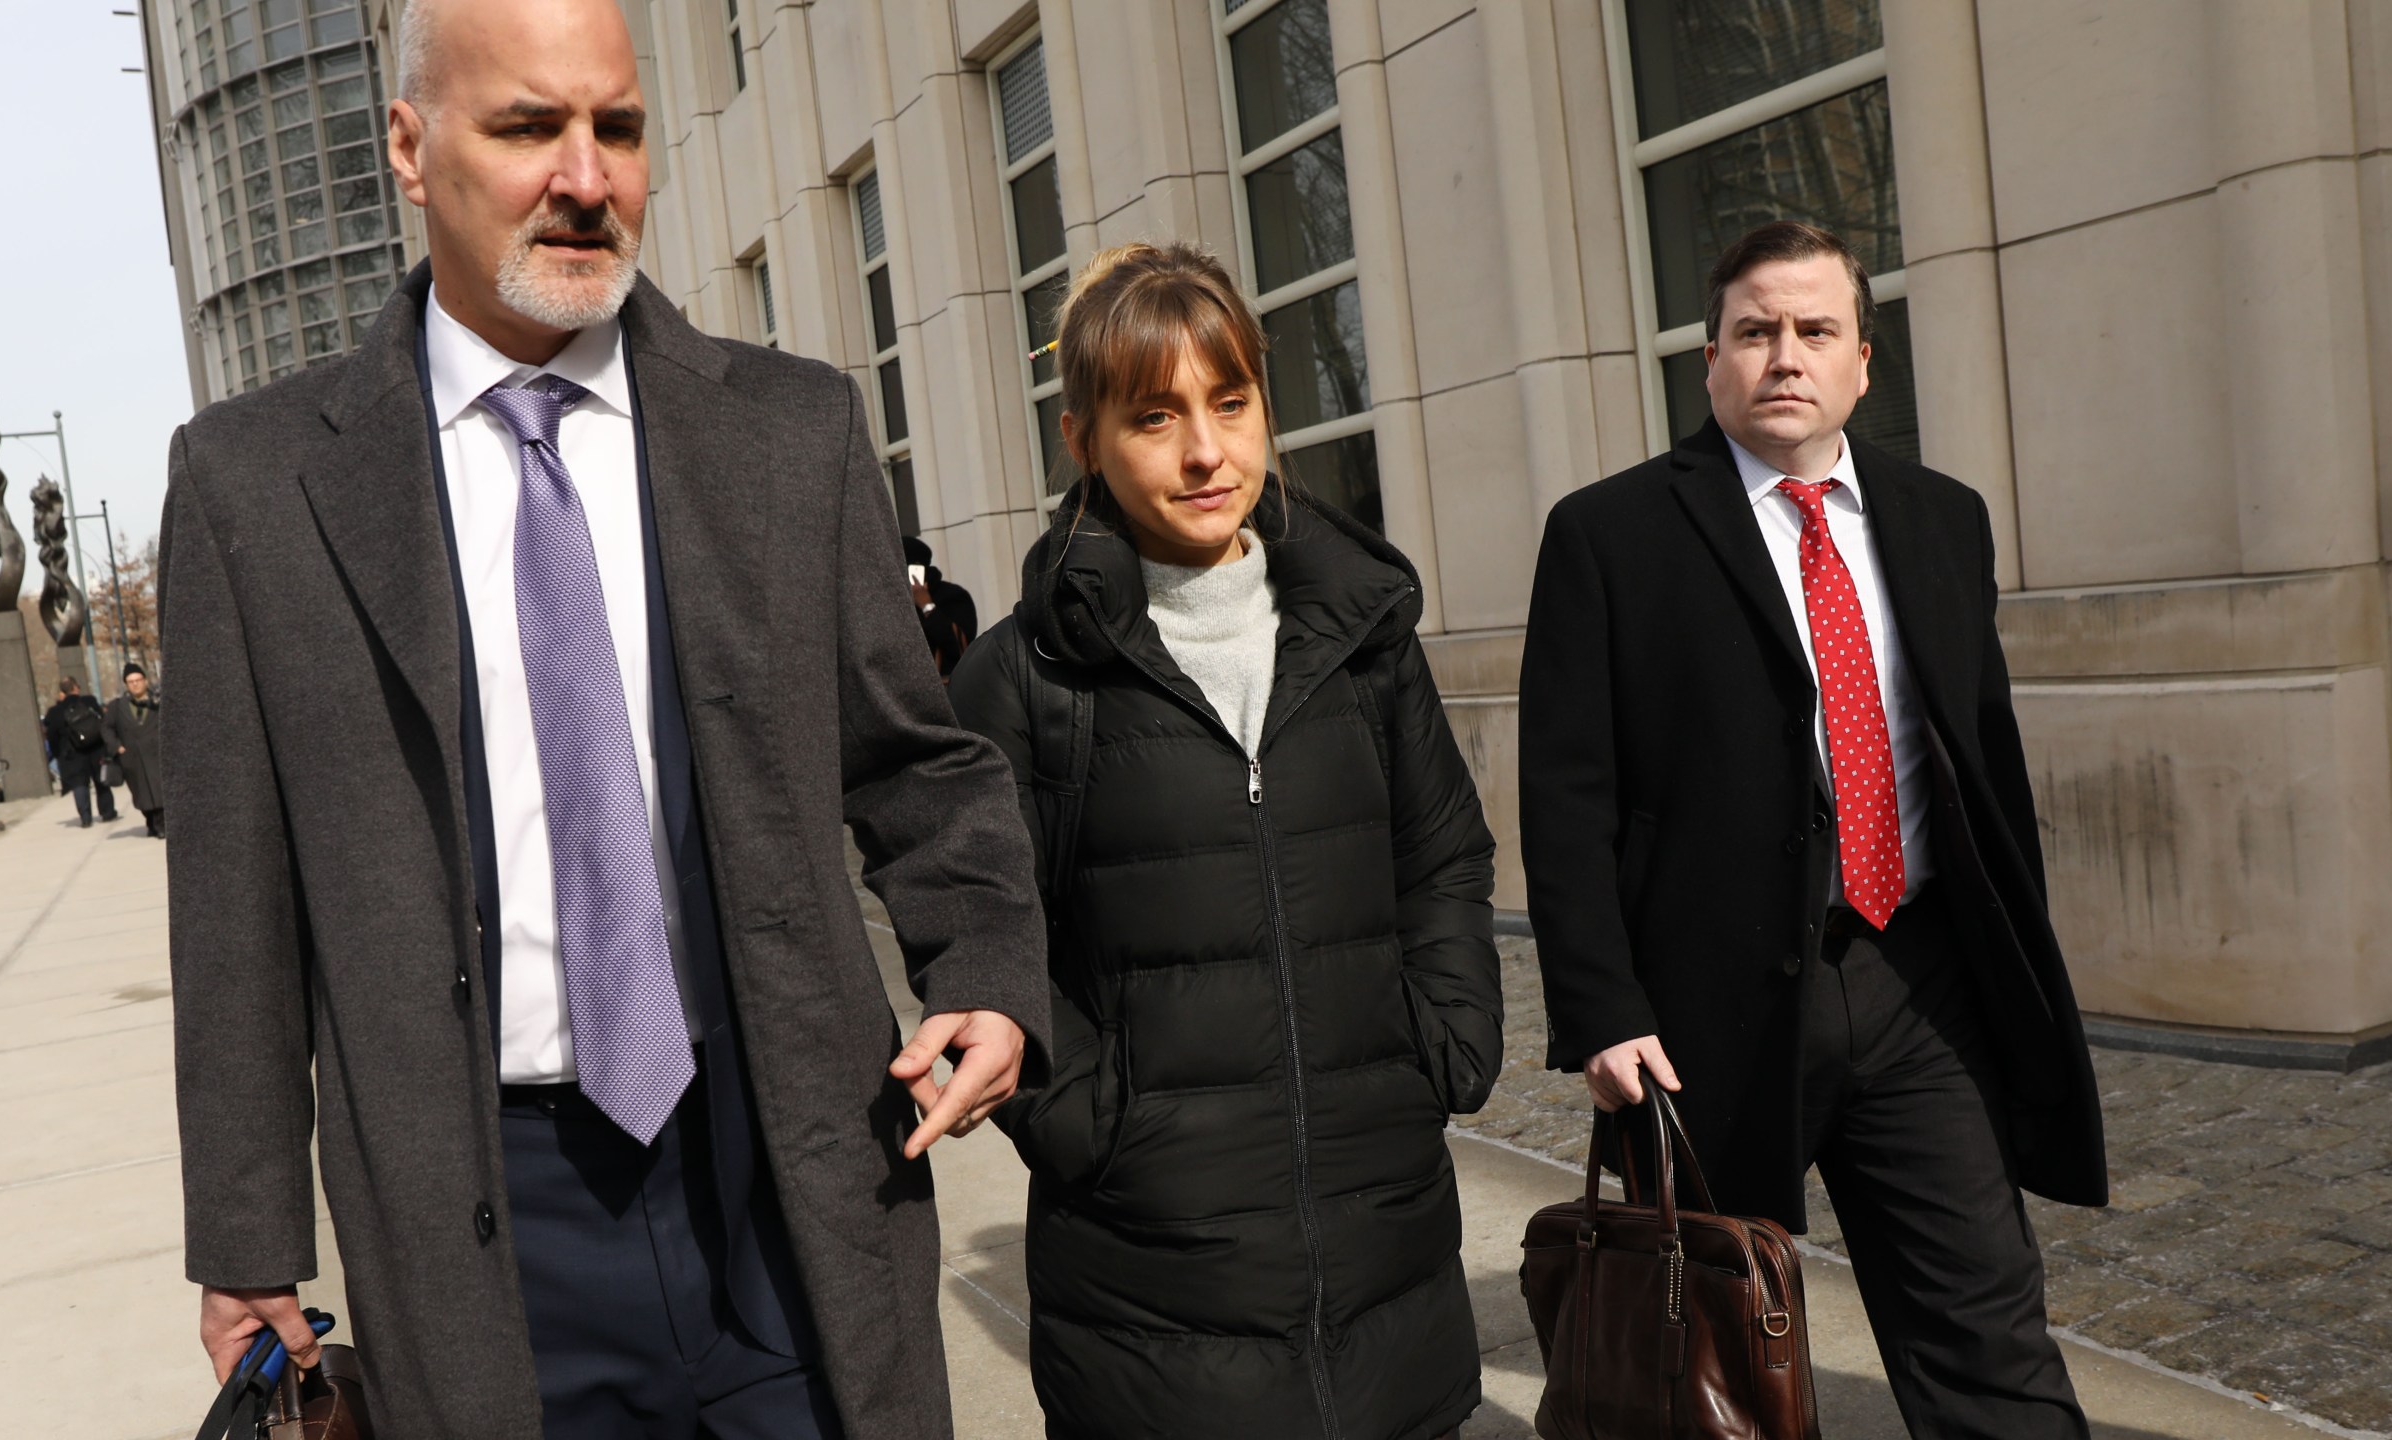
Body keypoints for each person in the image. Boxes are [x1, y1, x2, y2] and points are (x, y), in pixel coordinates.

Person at [159, 1, 1048, 1435]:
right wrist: (246, 1233)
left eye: (617, 127)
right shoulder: (253, 489)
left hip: (787, 1188)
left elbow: (916, 764)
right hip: (484, 1231)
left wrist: (989, 968)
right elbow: (233, 904)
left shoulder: (787, 431)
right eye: (527, 127)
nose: (587, 177)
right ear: (408, 143)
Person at [1519, 220, 2106, 1439]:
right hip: (1700, 1015)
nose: (1784, 355)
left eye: (1814, 330)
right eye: (1754, 331)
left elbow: (1980, 760)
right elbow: (1564, 794)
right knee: (1708, 1361)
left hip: (1916, 978)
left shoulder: (1942, 518)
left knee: (1987, 1327)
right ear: (1709, 360)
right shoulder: (1610, 534)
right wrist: (1599, 1007)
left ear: (1861, 362)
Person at [948, 242, 1504, 1440]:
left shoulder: (1360, 632)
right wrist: (1089, 1121)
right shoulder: (1024, 676)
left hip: (1384, 1253)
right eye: (1155, 416)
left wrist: (1443, 1036)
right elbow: (979, 934)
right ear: (1082, 438)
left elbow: (1443, 852)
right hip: (1150, 1288)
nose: (1207, 453)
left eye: (1231, 403)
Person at [41, 677, 120, 829]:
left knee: (79, 785)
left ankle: (85, 817)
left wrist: (58, 754)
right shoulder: (89, 701)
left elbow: (51, 737)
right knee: (101, 782)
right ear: (76, 688)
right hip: (95, 748)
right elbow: (102, 722)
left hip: (72, 754)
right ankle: (107, 812)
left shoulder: (55, 712)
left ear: (62, 692)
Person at [903, 535, 977, 680]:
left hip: (946, 691)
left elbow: (960, 646)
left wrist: (927, 606)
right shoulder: (895, 602)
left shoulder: (952, 596)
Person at [104, 663, 166, 839]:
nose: (135, 684)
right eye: (131, 681)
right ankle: (151, 822)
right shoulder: (118, 706)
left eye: (138, 680)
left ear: (145, 681)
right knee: (141, 794)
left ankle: (161, 825)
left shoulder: (158, 702)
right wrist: (116, 746)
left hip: (156, 755)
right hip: (132, 758)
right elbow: (107, 728)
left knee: (159, 791)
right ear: (126, 684)